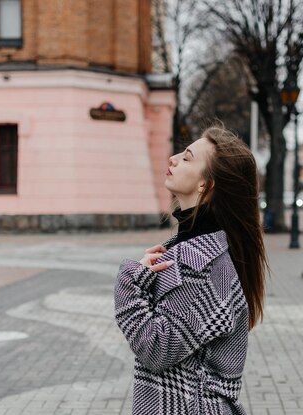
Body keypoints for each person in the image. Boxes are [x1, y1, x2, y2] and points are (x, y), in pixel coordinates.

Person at [114, 126, 269, 414]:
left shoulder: (200, 265)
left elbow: (157, 349)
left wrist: (129, 280)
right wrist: (146, 280)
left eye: (187, 158)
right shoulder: (195, 250)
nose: (173, 159)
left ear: (205, 185)